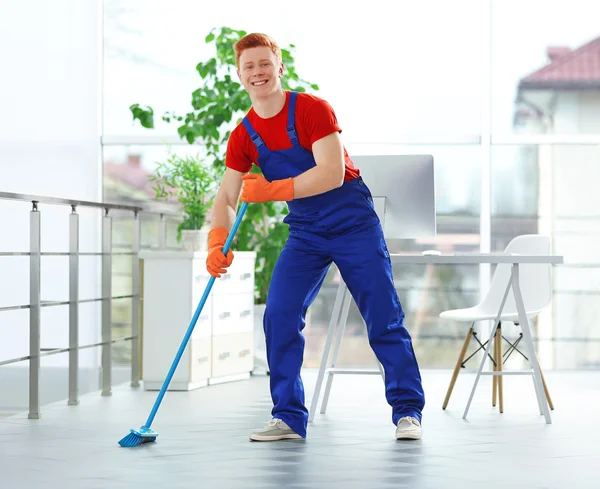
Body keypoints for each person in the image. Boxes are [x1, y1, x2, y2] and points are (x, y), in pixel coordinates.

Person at [206, 32, 425, 442]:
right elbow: (226, 195)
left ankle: (407, 411)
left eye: (264, 63)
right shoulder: (244, 135)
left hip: (354, 224)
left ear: (279, 66)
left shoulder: (310, 109)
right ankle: (288, 416)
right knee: (279, 316)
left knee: (382, 316)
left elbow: (331, 172)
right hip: (306, 232)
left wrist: (272, 189)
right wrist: (216, 240)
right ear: (239, 75)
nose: (258, 72)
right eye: (249, 66)